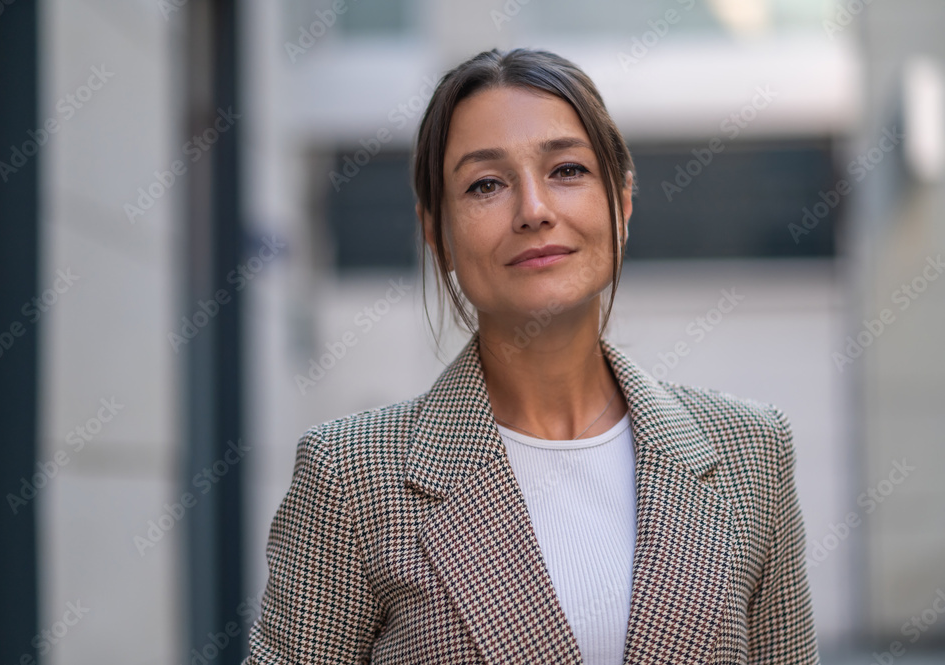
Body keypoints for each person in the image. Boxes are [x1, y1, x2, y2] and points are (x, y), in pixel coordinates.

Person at [245, 47, 819, 665]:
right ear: (436, 232)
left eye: (567, 170)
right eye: (485, 184)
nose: (535, 211)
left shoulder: (751, 451)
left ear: (621, 203)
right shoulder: (350, 477)